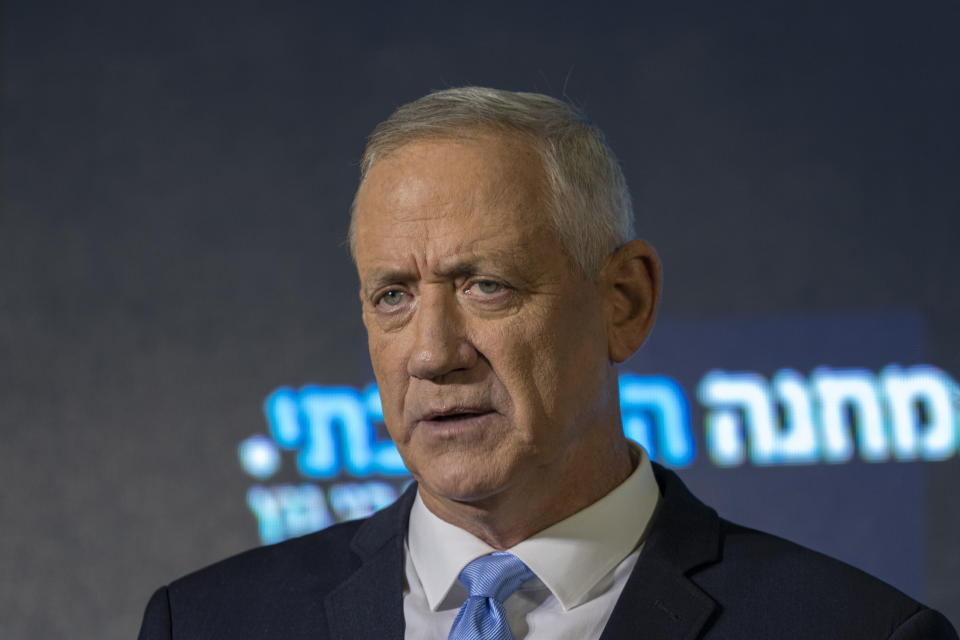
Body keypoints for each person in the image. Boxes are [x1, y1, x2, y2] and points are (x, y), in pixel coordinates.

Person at [138, 87, 958, 639]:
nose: (431, 353)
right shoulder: (209, 623)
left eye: (486, 286)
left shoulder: (854, 632)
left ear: (624, 301)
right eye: (392, 296)